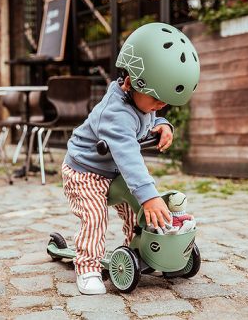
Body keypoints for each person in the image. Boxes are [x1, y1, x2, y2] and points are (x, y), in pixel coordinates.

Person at [62, 22, 200, 295]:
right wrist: (149, 194)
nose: (160, 106)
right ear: (130, 81)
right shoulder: (115, 113)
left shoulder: (141, 100)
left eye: (165, 103)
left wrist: (162, 123)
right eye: (157, 100)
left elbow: (147, 117)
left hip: (113, 172)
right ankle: (88, 266)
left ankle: (141, 250)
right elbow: (127, 153)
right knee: (95, 216)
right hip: (85, 173)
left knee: (137, 208)